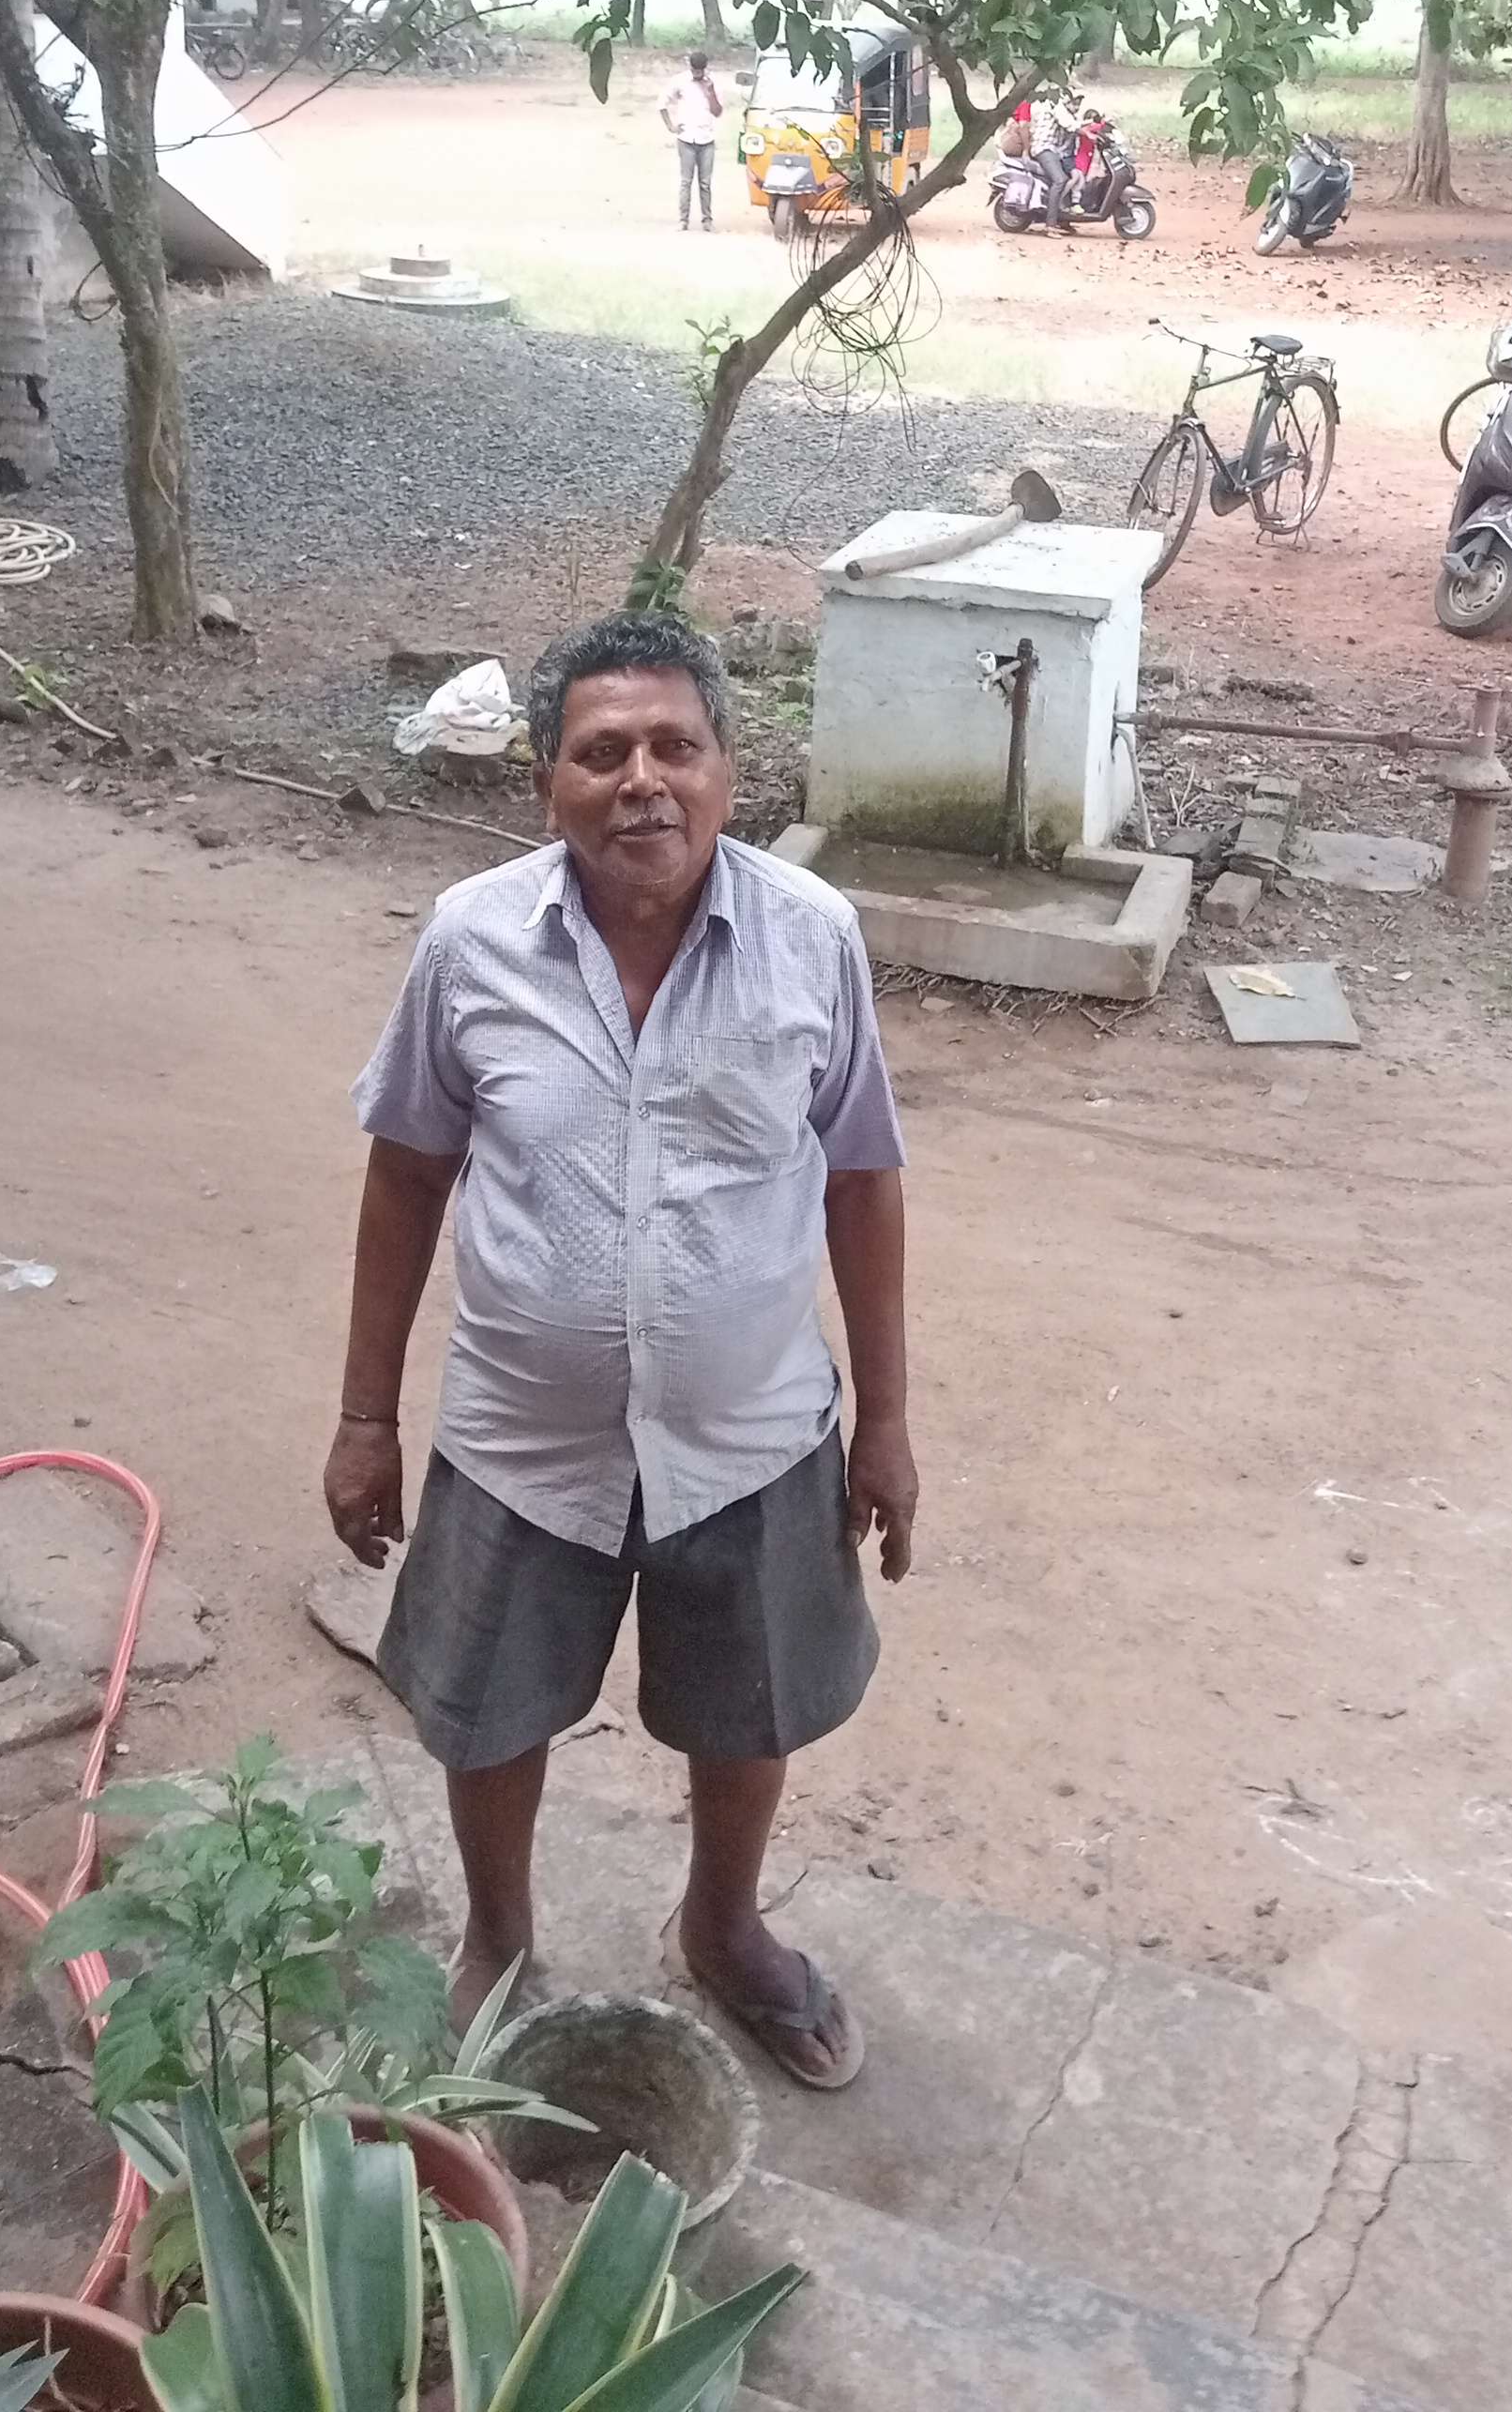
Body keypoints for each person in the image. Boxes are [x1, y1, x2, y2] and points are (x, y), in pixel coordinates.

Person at [328, 609, 917, 2090]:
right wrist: (365, 1418)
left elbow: (861, 1177)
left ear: (728, 772)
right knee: (485, 1709)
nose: (641, 780)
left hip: (754, 1433)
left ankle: (723, 1927)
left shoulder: (811, 939)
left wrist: (891, 1422)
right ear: (547, 785)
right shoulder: (472, 942)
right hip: (523, 1438)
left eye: (675, 747)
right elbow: (407, 1174)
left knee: (750, 1708)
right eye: (601, 753)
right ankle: (499, 1939)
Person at [659, 49, 725, 231]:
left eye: (700, 71)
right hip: (686, 138)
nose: (697, 74)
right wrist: (670, 126)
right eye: (694, 71)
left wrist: (710, 93)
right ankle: (683, 220)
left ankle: (707, 220)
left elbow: (718, 112)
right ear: (690, 68)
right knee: (686, 182)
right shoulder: (680, 81)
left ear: (704, 69)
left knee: (705, 183)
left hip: (706, 138)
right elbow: (662, 102)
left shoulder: (713, 83)